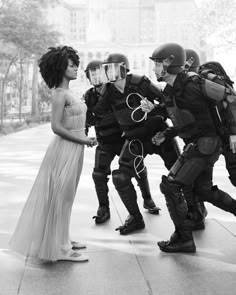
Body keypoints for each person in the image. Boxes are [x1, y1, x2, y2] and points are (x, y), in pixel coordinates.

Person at [142, 42, 236, 253]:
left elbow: (229, 96)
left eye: (158, 64)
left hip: (206, 146)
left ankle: (183, 239)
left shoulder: (196, 83)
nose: (155, 68)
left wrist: (233, 132)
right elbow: (179, 117)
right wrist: (164, 131)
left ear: (170, 63)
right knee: (203, 190)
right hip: (198, 145)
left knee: (171, 186)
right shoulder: (170, 90)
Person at [9, 46, 97, 262]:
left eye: (76, 63)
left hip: (74, 149)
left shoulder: (70, 93)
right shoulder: (59, 94)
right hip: (65, 149)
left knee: (66, 198)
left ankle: (63, 238)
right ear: (60, 68)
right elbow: (56, 127)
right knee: (61, 198)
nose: (76, 67)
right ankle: (62, 249)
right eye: (71, 64)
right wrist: (84, 139)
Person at [93, 53, 180, 235]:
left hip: (158, 132)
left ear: (123, 67)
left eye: (112, 67)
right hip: (135, 138)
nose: (108, 72)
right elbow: (96, 114)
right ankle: (136, 218)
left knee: (179, 172)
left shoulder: (141, 82)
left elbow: (167, 103)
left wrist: (158, 116)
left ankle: (194, 211)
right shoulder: (108, 91)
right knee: (120, 177)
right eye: (106, 68)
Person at [84, 60, 160, 224]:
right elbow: (89, 118)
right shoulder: (89, 96)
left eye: (98, 72)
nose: (96, 76)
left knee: (137, 167)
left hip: (123, 138)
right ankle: (103, 207)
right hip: (104, 140)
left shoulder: (114, 90)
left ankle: (147, 198)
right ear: (88, 77)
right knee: (99, 172)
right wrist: (81, 132)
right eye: (92, 73)